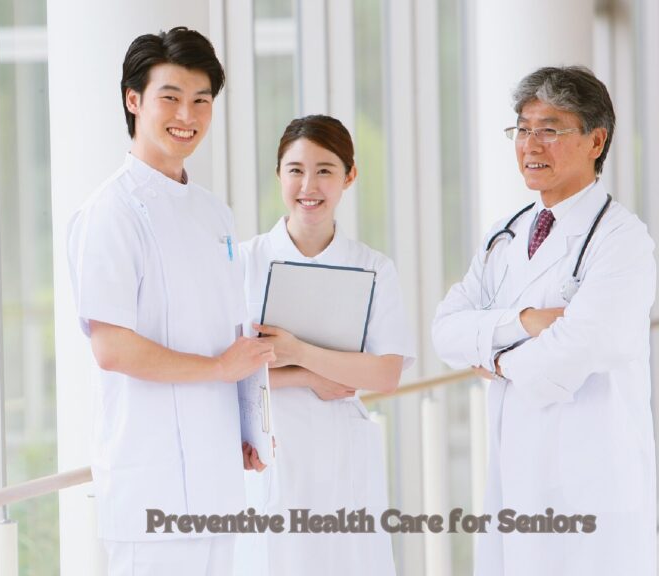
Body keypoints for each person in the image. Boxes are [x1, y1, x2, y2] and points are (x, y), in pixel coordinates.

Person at [66, 27, 275, 576]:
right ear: (134, 100)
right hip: (151, 487)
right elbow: (113, 348)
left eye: (201, 100)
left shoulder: (214, 213)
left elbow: (225, 331)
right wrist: (220, 368)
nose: (188, 115)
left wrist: (246, 429)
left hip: (217, 478)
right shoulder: (110, 213)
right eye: (171, 97)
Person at [432, 66, 656, 575]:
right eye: (523, 129)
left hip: (592, 485)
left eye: (549, 129)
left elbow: (577, 350)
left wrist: (494, 357)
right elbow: (445, 330)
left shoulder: (622, 240)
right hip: (516, 479)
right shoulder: (505, 235)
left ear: (596, 141)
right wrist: (526, 321)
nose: (531, 144)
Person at [239, 115, 415, 575]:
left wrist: (297, 353)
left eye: (325, 170)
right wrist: (313, 376)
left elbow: (386, 374)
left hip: (341, 455)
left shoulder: (373, 267)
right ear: (278, 174)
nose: (308, 186)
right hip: (270, 454)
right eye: (295, 170)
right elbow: (229, 368)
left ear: (349, 176)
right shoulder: (245, 261)